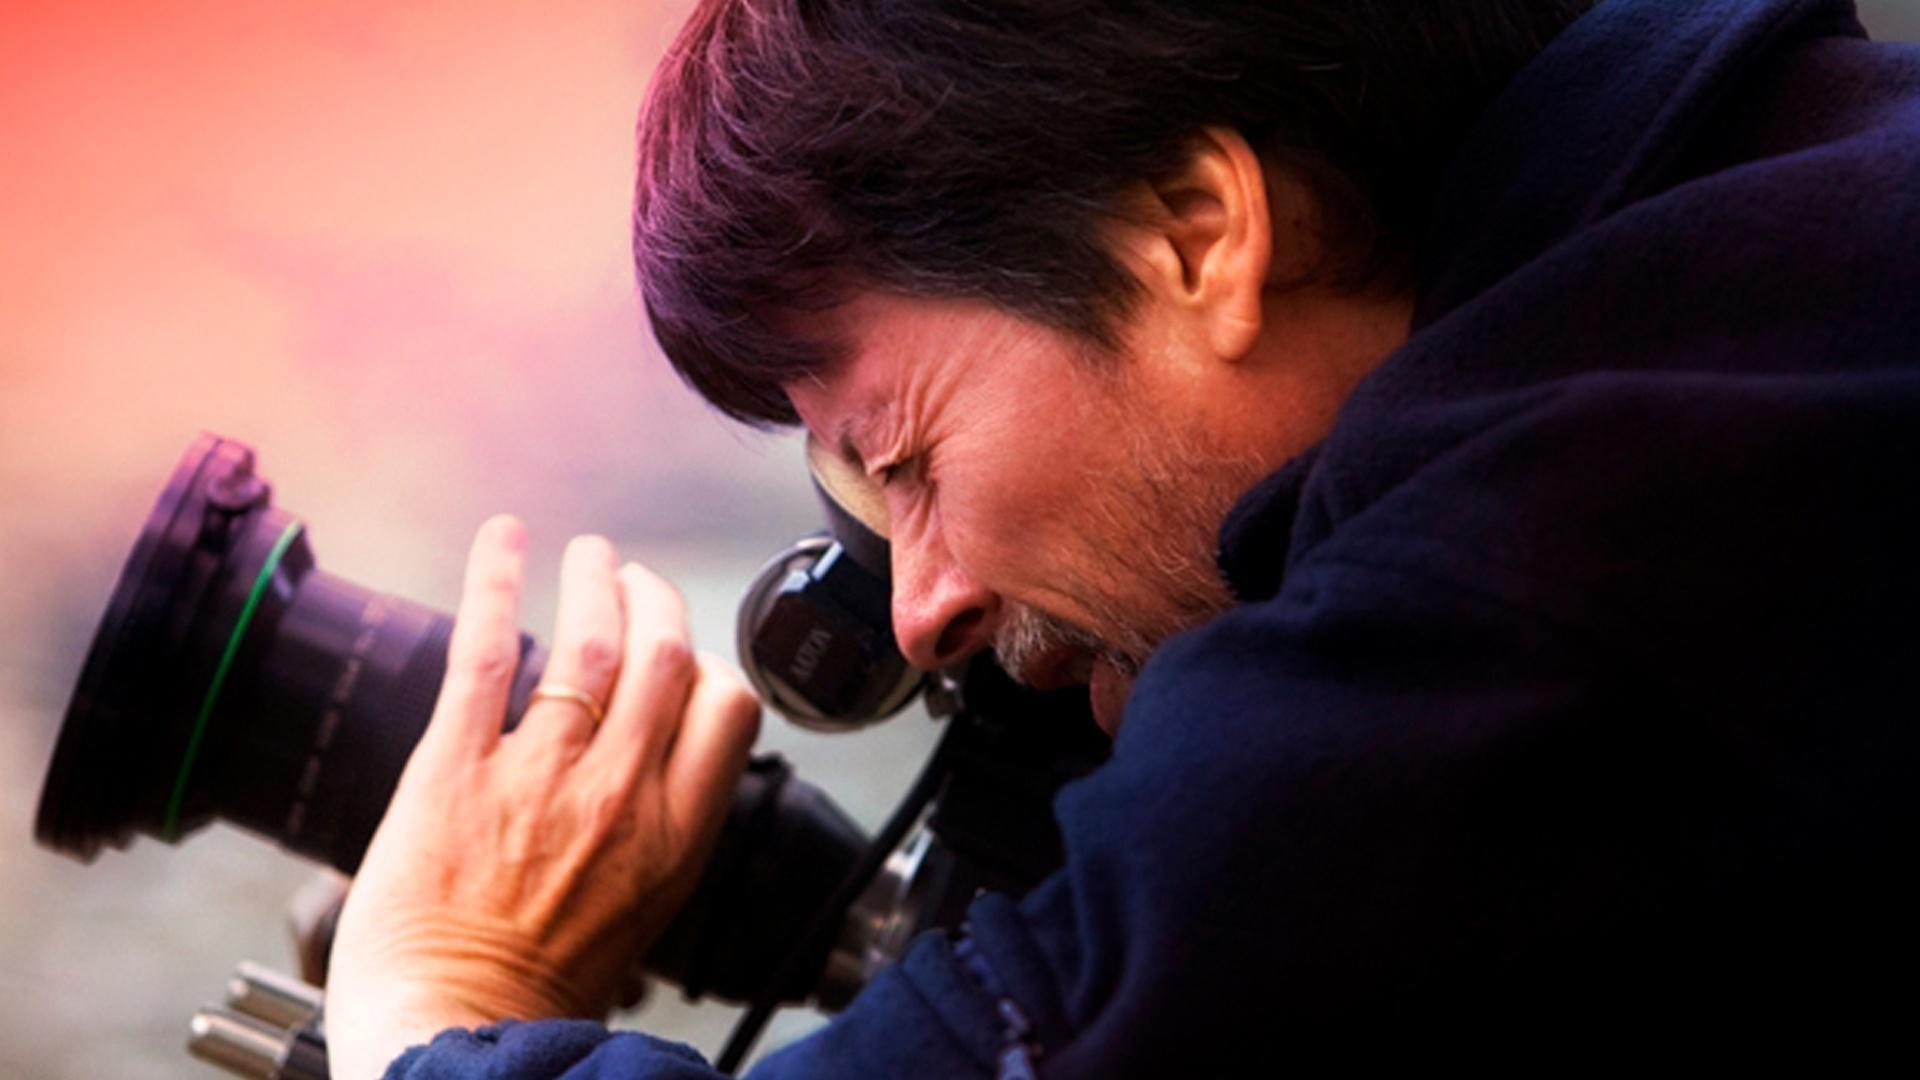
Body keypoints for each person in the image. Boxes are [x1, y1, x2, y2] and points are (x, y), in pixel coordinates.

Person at [325, 0, 1920, 1075]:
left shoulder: (1539, 564)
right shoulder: (1770, 218)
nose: (923, 611)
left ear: (1196, 238)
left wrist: (443, 989)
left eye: (910, 460)